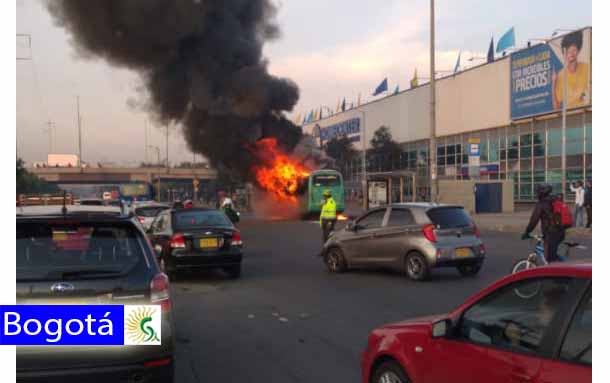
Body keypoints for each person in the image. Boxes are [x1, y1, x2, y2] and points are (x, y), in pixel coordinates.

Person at [522, 184, 564, 263]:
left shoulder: (541, 204)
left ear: (540, 193)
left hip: (551, 232)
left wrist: (527, 232)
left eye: (537, 192)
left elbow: (533, 221)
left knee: (549, 258)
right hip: (560, 231)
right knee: (550, 254)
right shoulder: (555, 200)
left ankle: (559, 271)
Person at [552, 30, 590, 110]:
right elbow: (556, 107)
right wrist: (554, 84)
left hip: (587, 113)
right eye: (569, 51)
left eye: (574, 50)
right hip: (570, 117)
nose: (571, 54)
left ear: (578, 51)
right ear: (564, 53)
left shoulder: (588, 68)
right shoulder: (561, 76)